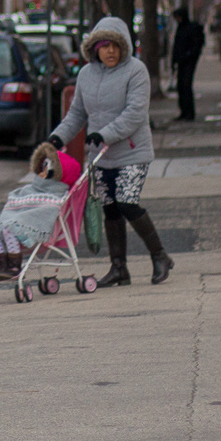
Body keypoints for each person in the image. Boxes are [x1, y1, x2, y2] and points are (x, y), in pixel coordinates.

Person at [33, 16, 173, 286]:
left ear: (124, 47)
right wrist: (58, 137)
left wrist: (104, 133)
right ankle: (119, 267)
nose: (111, 51)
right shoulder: (86, 75)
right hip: (101, 156)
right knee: (110, 208)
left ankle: (160, 255)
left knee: (127, 202)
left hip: (132, 152)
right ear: (95, 48)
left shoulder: (136, 71)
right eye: (105, 46)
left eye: (116, 46)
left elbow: (135, 113)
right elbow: (76, 114)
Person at [0, 145, 82, 277]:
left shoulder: (55, 198)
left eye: (47, 170)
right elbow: (20, 203)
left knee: (9, 228)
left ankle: (14, 267)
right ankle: (3, 266)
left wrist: (18, 221)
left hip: (33, 234)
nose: (42, 172)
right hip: (18, 227)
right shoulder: (31, 189)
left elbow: (45, 213)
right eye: (42, 168)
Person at [170, 5, 206, 122]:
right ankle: (184, 111)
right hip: (182, 61)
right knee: (181, 86)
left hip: (188, 61)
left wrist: (189, 55)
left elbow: (195, 45)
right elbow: (176, 46)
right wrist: (174, 61)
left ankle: (189, 112)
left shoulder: (189, 29)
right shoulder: (180, 28)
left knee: (186, 85)